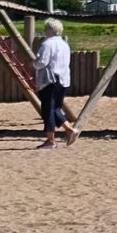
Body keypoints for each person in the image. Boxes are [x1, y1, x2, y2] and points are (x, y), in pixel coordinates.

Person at [33, 17, 77, 149]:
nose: (44, 31)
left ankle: (51, 140)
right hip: (63, 79)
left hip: (50, 80)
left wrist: (33, 64)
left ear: (50, 30)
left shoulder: (47, 44)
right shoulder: (64, 44)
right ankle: (69, 129)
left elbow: (42, 62)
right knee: (55, 107)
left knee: (48, 109)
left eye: (46, 28)